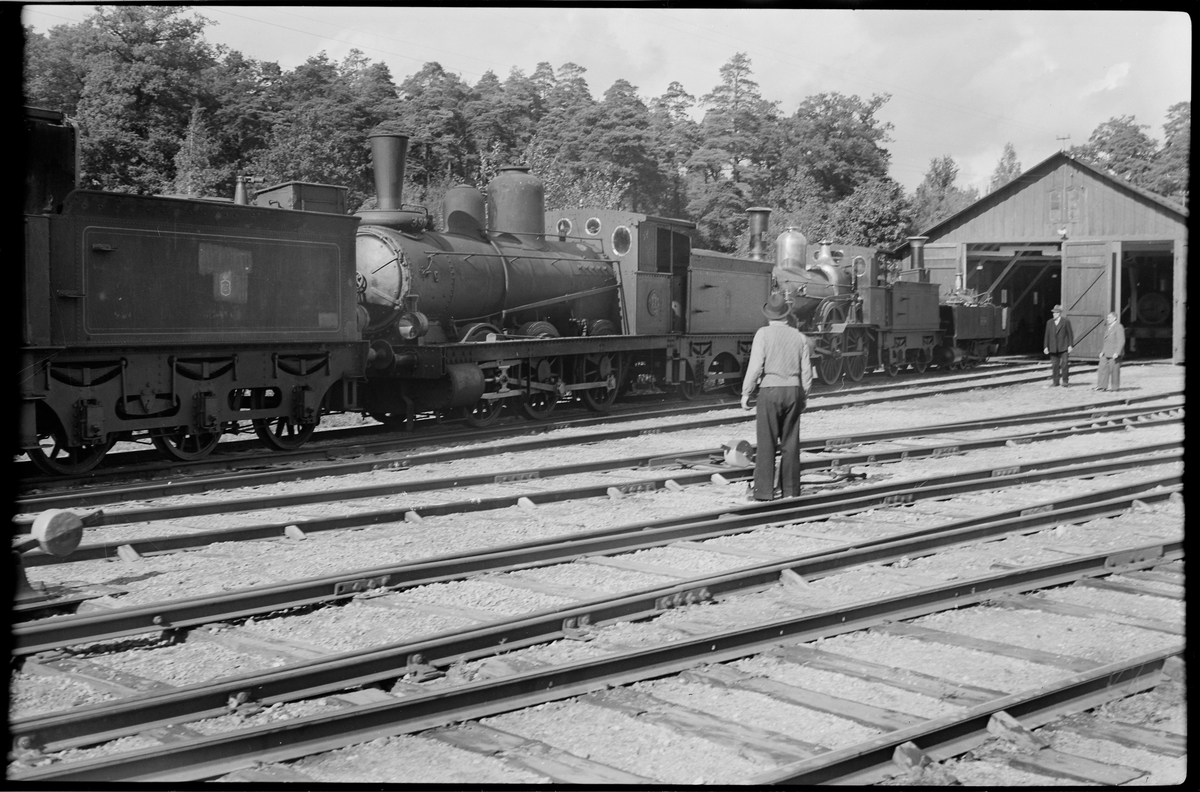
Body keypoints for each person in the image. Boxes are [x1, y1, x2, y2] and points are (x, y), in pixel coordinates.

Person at [740, 292, 813, 501]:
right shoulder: (799, 337)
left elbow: (755, 367)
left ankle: (764, 492)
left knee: (767, 442)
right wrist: (804, 395)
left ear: (769, 315)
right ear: (786, 315)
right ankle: (790, 490)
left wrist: (747, 392)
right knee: (791, 443)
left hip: (770, 391)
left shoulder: (762, 334)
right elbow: (806, 371)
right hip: (793, 391)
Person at [1043, 304, 1074, 387]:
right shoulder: (1049, 322)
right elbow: (1047, 335)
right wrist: (1045, 346)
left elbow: (1070, 334)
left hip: (1063, 347)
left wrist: (1070, 345)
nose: (1054, 314)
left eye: (1056, 313)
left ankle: (1065, 381)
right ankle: (1055, 382)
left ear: (1059, 313)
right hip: (1053, 347)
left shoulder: (1065, 321)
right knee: (1055, 365)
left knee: (1064, 364)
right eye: (1053, 313)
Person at [1096, 311, 1126, 391]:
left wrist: (1117, 352)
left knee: (1114, 371)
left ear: (1114, 318)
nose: (1107, 319)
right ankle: (1101, 386)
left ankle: (1115, 387)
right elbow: (1106, 341)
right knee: (1102, 368)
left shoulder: (1118, 327)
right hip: (1106, 352)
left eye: (1109, 317)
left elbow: (1121, 341)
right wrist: (1102, 351)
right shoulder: (1108, 327)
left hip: (1114, 353)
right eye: (1107, 317)